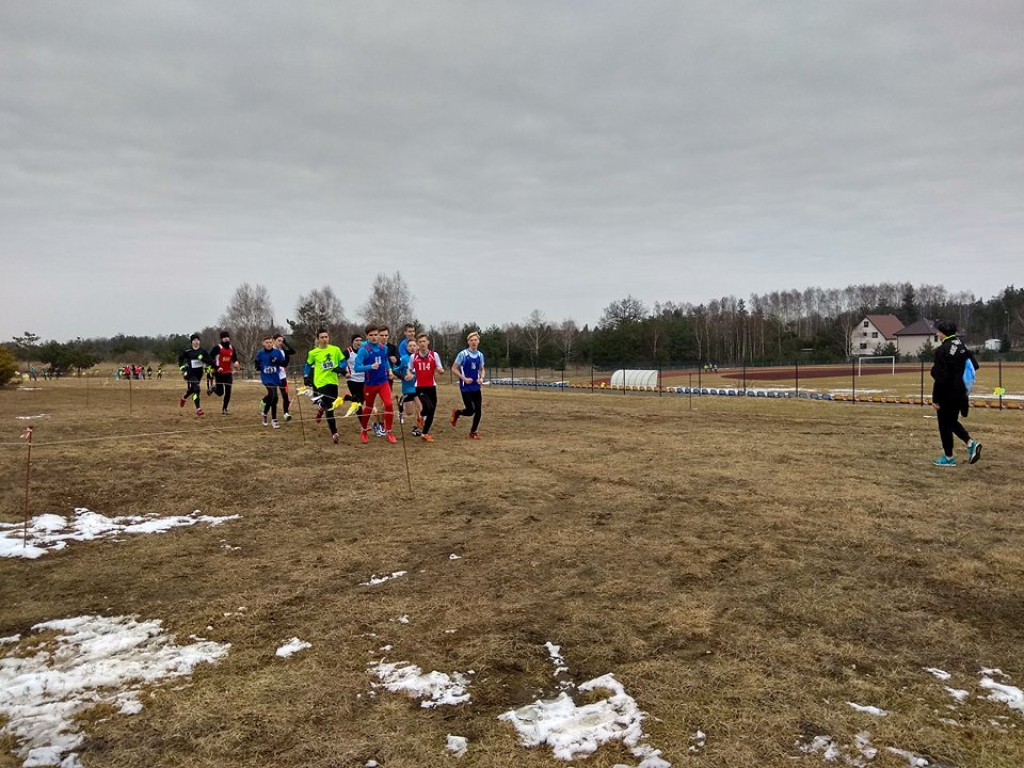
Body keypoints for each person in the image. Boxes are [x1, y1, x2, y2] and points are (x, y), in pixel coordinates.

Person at [930, 320, 981, 467]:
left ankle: (950, 456)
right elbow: (974, 365)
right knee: (951, 421)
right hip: (961, 392)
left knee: (944, 424)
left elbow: (940, 377)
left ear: (943, 333)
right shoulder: (961, 345)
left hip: (947, 393)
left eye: (938, 332)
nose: (937, 334)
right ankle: (969, 444)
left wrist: (935, 399)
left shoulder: (942, 350)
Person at [354, 324, 396, 444]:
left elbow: (385, 361)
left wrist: (390, 370)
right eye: (371, 335)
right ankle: (364, 430)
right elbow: (357, 367)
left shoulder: (384, 348)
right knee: (368, 407)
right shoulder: (364, 350)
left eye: (376, 335)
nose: (374, 337)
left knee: (388, 404)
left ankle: (389, 431)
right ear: (367, 336)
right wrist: (370, 367)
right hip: (370, 384)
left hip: (383, 382)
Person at [304, 328, 347, 444]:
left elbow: (343, 361)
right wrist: (306, 377)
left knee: (331, 403)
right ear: (318, 339)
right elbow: (307, 365)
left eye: (326, 337)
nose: (324, 339)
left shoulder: (335, 349)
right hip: (320, 382)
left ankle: (320, 408)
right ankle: (334, 433)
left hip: (333, 381)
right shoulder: (313, 353)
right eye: (322, 337)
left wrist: (340, 368)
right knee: (330, 407)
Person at [409, 334, 443, 442]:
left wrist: (440, 370)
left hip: (431, 386)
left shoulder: (434, 355)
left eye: (424, 341)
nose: (422, 344)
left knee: (432, 410)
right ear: (418, 344)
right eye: (420, 342)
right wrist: (409, 374)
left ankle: (424, 433)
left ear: (428, 342)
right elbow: (409, 369)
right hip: (420, 387)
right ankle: (421, 415)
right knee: (428, 407)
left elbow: (439, 367)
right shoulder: (413, 357)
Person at [451, 331, 486, 439]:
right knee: (470, 410)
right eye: (471, 340)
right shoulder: (463, 354)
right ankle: (457, 412)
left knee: (478, 410)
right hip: (465, 386)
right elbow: (453, 368)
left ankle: (473, 432)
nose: (473, 342)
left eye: (475, 340)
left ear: (478, 341)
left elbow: (482, 369)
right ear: (468, 342)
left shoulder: (480, 355)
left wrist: (481, 378)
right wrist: (464, 378)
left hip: (476, 386)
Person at [255, 335, 286, 428]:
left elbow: (284, 363)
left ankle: (265, 413)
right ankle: (274, 419)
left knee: (274, 398)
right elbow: (256, 362)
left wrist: (276, 361)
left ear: (273, 343)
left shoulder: (277, 352)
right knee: (273, 395)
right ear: (263, 343)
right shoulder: (260, 353)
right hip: (266, 378)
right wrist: (258, 367)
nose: (269, 344)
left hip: (275, 377)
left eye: (270, 342)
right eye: (267, 343)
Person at [177, 334, 211, 416]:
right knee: (197, 389)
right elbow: (180, 359)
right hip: (190, 373)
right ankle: (198, 408)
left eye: (198, 340)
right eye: (194, 340)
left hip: (199, 374)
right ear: (192, 342)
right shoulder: (188, 352)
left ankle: (184, 397)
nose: (196, 342)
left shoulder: (203, 351)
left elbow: (208, 361)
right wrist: (181, 367)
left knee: (193, 389)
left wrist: (208, 371)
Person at [209, 330, 240, 415]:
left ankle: (224, 408)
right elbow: (210, 359)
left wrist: (236, 362)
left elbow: (234, 358)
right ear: (221, 339)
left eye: (227, 337)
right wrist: (216, 367)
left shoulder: (231, 348)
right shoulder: (217, 348)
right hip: (219, 373)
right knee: (220, 393)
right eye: (224, 338)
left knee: (228, 391)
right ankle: (213, 388)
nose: (226, 339)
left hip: (228, 373)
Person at [272, 333, 296, 421]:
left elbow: (293, 351)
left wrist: (285, 342)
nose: (280, 343)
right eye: (279, 341)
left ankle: (286, 413)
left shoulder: (283, 351)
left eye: (282, 341)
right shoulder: (269, 351)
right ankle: (273, 416)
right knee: (273, 397)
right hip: (272, 377)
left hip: (282, 377)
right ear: (273, 340)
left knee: (285, 396)